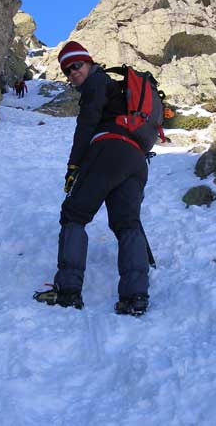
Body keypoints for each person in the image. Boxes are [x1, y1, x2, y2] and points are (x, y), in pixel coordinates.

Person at [33, 41, 151, 316]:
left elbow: (86, 125)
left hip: (108, 151)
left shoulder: (98, 83)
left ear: (90, 63)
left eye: (77, 65)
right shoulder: (117, 91)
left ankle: (68, 291)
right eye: (66, 70)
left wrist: (74, 166)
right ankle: (135, 297)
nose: (72, 72)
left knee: (74, 215)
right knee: (127, 224)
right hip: (136, 160)